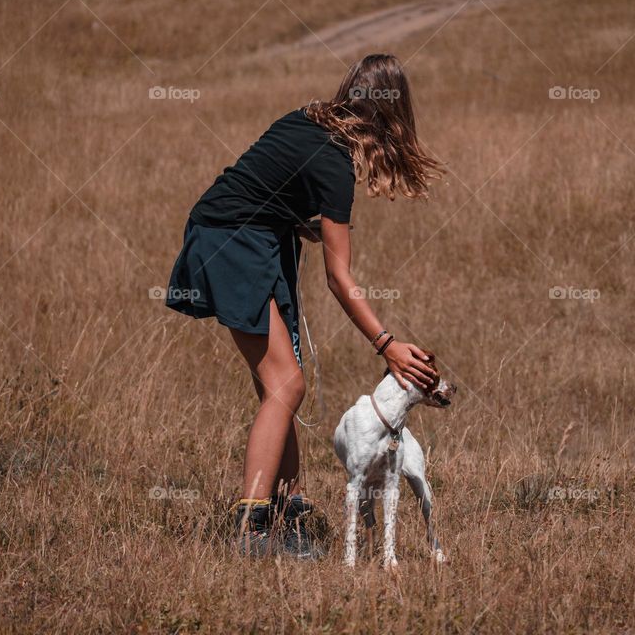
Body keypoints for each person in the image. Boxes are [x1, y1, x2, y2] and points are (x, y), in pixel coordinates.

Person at [165, 54, 443, 559]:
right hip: (234, 244)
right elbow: (340, 278)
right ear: (392, 116)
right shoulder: (335, 163)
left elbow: (259, 186)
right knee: (287, 384)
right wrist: (388, 346)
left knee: (280, 383)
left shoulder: (308, 117)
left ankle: (287, 505)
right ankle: (250, 527)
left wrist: (296, 223)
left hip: (238, 236)